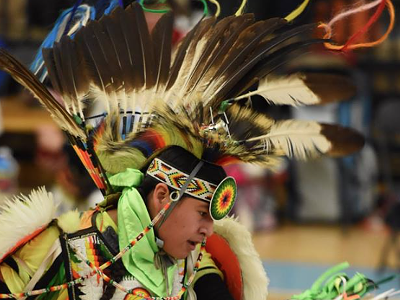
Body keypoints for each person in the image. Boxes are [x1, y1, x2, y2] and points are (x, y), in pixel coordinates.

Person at [0, 0, 394, 299]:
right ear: (162, 196)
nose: (208, 229)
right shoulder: (65, 245)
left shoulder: (197, 264)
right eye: (202, 213)